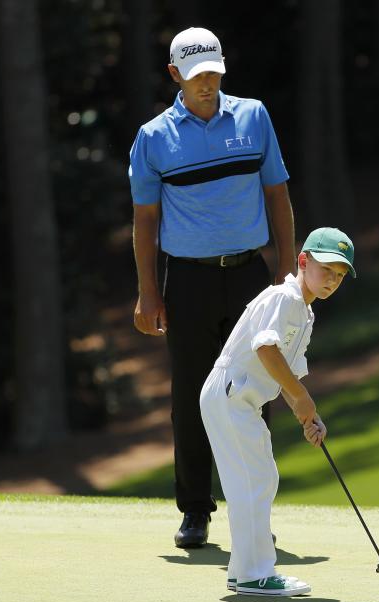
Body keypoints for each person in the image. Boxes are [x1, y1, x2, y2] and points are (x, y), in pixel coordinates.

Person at [128, 27, 296, 548]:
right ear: (176, 75)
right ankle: (195, 511)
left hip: (250, 274)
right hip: (190, 281)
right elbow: (144, 221)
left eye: (214, 73)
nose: (208, 83)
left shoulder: (253, 116)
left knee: (256, 393)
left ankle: (252, 513)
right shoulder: (154, 137)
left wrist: (287, 270)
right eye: (197, 74)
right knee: (193, 396)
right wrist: (148, 292)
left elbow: (277, 195)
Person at [199, 228, 355, 596]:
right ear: (303, 261)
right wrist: (302, 399)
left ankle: (244, 571)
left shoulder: (305, 314)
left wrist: (307, 417)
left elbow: (288, 375)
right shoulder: (283, 298)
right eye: (326, 269)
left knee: (257, 480)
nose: (332, 280)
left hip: (239, 400)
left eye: (339, 275)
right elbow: (266, 350)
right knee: (255, 481)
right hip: (230, 394)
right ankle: (255, 574)